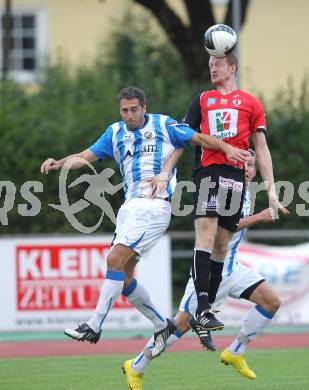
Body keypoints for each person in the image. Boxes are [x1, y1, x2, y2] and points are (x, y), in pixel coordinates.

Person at [40, 86, 248, 354]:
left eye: (134, 109)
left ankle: (94, 325)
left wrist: (226, 148)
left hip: (152, 206)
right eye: (124, 110)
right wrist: (59, 163)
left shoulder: (164, 124)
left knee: (114, 259)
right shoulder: (114, 132)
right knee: (123, 277)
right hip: (130, 208)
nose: (129, 115)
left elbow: (198, 138)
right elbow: (84, 158)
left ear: (144, 107)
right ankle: (162, 324)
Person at [123, 151, 281, 389]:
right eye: (243, 164)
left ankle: (236, 351)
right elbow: (221, 229)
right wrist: (260, 217)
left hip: (232, 268)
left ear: (256, 171)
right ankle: (137, 365)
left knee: (271, 302)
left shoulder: (244, 193)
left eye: (251, 166)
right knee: (180, 325)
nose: (247, 169)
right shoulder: (224, 189)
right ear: (234, 166)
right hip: (209, 274)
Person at [181, 52, 288, 337]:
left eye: (217, 64)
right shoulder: (202, 99)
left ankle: (205, 313)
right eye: (209, 64)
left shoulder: (251, 103)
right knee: (205, 235)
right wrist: (166, 171)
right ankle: (203, 308)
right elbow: (182, 135)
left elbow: (262, 149)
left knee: (220, 246)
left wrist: (272, 191)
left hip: (234, 179)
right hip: (208, 172)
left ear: (232, 67)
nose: (212, 68)